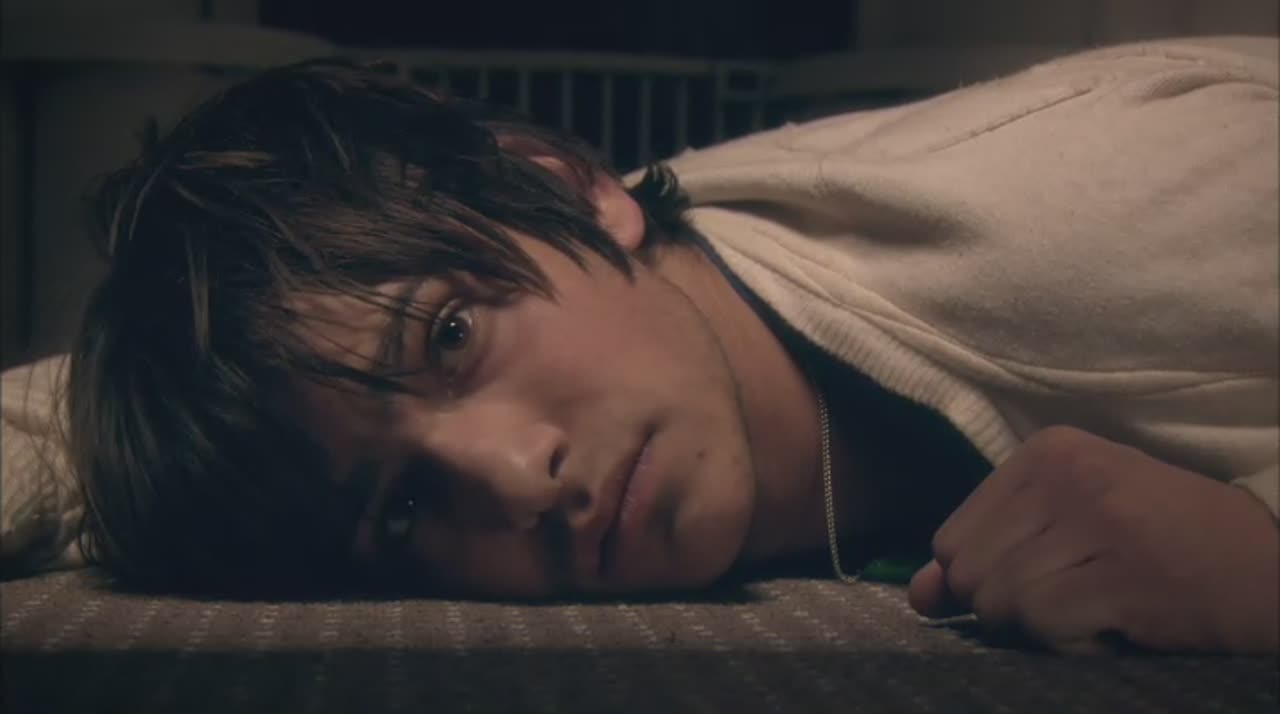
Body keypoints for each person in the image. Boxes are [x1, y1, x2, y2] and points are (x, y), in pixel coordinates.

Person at [66, 35, 1278, 654]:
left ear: (574, 187)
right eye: (401, 507)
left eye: (450, 335)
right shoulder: (598, 260)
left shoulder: (1088, 220)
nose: (512, 479)